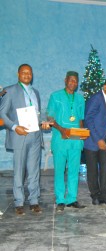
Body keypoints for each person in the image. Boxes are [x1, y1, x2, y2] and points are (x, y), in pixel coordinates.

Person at [0, 64, 44, 215]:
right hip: (20, 135)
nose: (27, 75)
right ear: (18, 74)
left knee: (34, 170)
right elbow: (2, 114)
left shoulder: (35, 92)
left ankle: (34, 201)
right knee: (19, 170)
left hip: (35, 136)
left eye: (29, 73)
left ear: (32, 75)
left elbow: (37, 113)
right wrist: (14, 127)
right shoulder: (9, 91)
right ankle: (19, 202)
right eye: (24, 72)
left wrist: (43, 122)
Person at [47, 71, 86, 212]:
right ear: (65, 80)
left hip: (75, 141)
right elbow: (50, 117)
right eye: (71, 80)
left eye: (75, 81)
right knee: (59, 170)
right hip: (60, 139)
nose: (73, 83)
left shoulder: (80, 99)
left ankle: (72, 199)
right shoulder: (55, 96)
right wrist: (61, 129)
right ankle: (60, 200)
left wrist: (82, 134)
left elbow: (81, 118)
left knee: (74, 171)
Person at [84, 78, 106, 205]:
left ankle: (104, 196)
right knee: (92, 170)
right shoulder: (96, 98)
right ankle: (95, 196)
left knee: (105, 168)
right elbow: (88, 119)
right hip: (93, 140)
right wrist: (98, 139)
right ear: (104, 87)